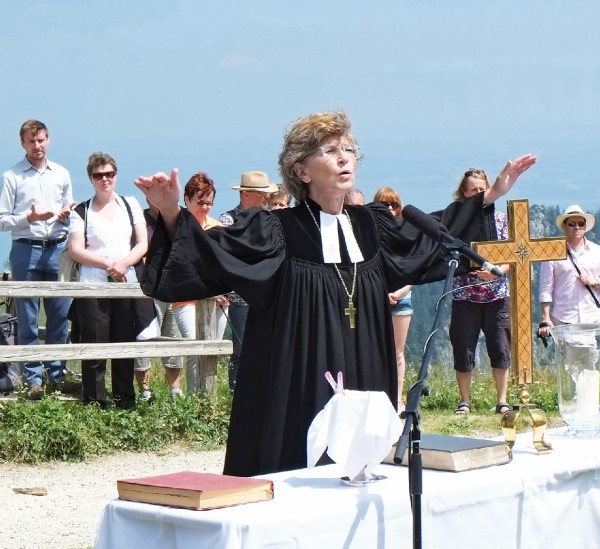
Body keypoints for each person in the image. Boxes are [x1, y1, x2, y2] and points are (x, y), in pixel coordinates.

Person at [135, 109, 536, 476]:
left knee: (362, 470)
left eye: (349, 149)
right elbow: (211, 255)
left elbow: (428, 234)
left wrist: (489, 195)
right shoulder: (276, 230)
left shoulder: (372, 225)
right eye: (330, 150)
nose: (345, 157)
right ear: (302, 170)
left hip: (365, 366)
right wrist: (171, 212)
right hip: (299, 374)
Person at [0, 119, 77, 400]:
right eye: (31, 141)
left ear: (48, 139)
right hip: (25, 248)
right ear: (23, 143)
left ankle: (56, 376)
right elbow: (2, 220)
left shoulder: (62, 174)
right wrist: (28, 218)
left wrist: (67, 215)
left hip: (57, 246)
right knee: (28, 318)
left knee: (59, 315)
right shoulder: (12, 176)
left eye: (41, 140)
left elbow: (71, 207)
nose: (37, 146)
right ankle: (33, 379)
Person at [66, 152, 149, 408]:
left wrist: (123, 264)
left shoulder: (130, 204)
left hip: (125, 284)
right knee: (94, 345)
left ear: (116, 175)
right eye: (99, 175)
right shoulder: (80, 211)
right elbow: (75, 249)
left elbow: (142, 243)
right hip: (92, 286)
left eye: (109, 174)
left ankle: (125, 401)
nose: (105, 179)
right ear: (91, 179)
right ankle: (94, 403)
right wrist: (107, 264)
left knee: (124, 342)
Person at [448, 169, 514, 415]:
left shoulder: (500, 221)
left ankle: (502, 400)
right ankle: (464, 401)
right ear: (464, 193)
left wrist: (496, 272)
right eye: (472, 189)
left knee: (500, 348)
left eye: (481, 189)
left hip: (497, 295)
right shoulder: (457, 223)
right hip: (465, 295)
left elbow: (512, 256)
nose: (477, 193)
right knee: (463, 349)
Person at [168, 173, 229, 397]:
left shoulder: (218, 228)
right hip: (185, 298)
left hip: (218, 299)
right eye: (200, 202)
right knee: (194, 348)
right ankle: (195, 400)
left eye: (209, 203)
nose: (205, 207)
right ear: (187, 199)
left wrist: (223, 291)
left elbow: (224, 266)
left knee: (211, 351)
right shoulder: (176, 227)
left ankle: (209, 398)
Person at [219, 171, 280, 392]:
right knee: (240, 350)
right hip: (240, 298)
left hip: (266, 298)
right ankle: (237, 391)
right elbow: (230, 259)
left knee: (266, 347)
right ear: (247, 194)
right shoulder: (229, 220)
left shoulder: (269, 220)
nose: (266, 198)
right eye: (262, 193)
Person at [537, 204, 600, 374]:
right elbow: (545, 287)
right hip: (564, 317)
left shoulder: (597, 251)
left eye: (580, 224)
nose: (576, 227)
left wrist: (594, 282)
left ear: (585, 227)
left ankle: (587, 397)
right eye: (572, 224)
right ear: (564, 226)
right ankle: (572, 399)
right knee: (568, 364)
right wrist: (545, 318)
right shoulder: (552, 253)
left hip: (591, 315)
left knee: (590, 362)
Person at [133, 204, 179, 401]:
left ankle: (175, 390)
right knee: (144, 338)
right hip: (148, 288)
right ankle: (145, 391)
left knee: (173, 340)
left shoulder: (176, 219)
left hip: (173, 288)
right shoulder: (140, 222)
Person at [373, 187, 412, 412]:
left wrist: (399, 293)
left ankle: (397, 399)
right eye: (384, 204)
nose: (389, 208)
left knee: (398, 352)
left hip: (401, 298)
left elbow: (414, 270)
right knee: (377, 350)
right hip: (378, 298)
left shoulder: (405, 233)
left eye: (393, 204)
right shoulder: (370, 233)